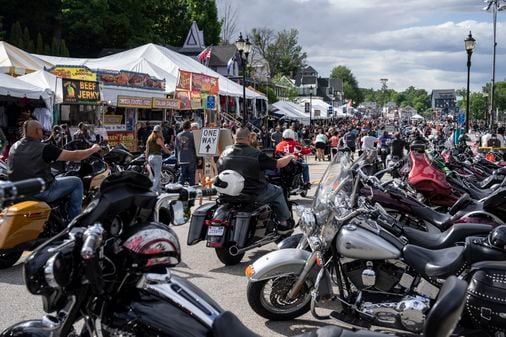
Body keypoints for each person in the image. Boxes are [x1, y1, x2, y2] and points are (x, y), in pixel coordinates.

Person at [7, 120, 101, 220]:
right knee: (77, 182)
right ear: (37, 131)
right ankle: (75, 222)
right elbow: (76, 156)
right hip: (41, 192)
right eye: (41, 130)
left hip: (18, 191)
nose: (42, 132)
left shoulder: (14, 146)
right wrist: (93, 149)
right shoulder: (44, 148)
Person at [217, 128, 296, 234]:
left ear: (235, 137)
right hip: (253, 192)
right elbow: (278, 164)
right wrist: (290, 157)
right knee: (278, 191)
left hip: (228, 193)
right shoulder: (256, 154)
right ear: (249, 137)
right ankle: (284, 223)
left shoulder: (224, 153)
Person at [146, 125, 171, 192]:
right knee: (157, 175)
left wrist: (146, 159)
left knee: (153, 174)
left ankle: (158, 189)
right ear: (160, 131)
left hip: (150, 158)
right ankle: (152, 190)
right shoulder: (158, 138)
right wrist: (170, 153)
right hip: (157, 157)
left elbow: (147, 150)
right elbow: (164, 148)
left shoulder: (149, 138)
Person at [175, 121, 197, 186]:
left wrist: (177, 158)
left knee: (182, 175)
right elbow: (195, 147)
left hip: (181, 158)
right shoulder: (192, 135)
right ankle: (192, 190)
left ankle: (179, 188)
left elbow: (176, 148)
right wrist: (198, 158)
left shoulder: (178, 135)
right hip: (191, 158)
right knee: (192, 175)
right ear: (190, 127)